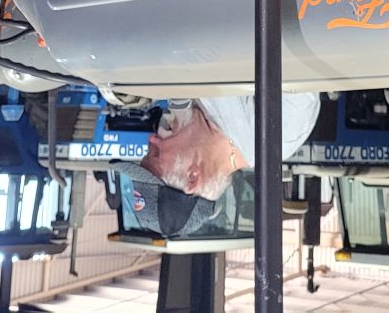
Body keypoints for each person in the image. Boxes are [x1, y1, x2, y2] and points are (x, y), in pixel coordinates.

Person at [119, 91, 320, 235]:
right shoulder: (276, 133)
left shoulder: (191, 107)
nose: (152, 140)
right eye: (156, 154)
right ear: (192, 177)